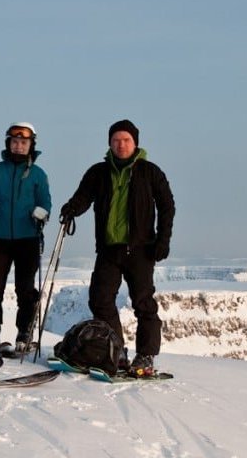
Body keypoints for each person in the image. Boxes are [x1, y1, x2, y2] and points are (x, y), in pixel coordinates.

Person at [59, 120, 175, 377]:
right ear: (109, 144)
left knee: (143, 303)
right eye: (116, 140)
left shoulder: (149, 172)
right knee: (100, 299)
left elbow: (167, 205)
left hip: (141, 249)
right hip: (109, 249)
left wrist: (162, 240)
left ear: (135, 143)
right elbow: (83, 196)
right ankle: (116, 350)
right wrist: (71, 209)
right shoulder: (98, 172)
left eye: (126, 140)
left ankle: (145, 355)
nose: (121, 145)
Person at [0, 122, 51, 351]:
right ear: (8, 143)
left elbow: (45, 201)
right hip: (0, 238)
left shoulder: (38, 174)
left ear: (30, 146)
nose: (19, 146)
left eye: (24, 142)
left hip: (28, 237)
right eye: (15, 142)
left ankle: (24, 331)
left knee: (25, 288)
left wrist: (43, 213)